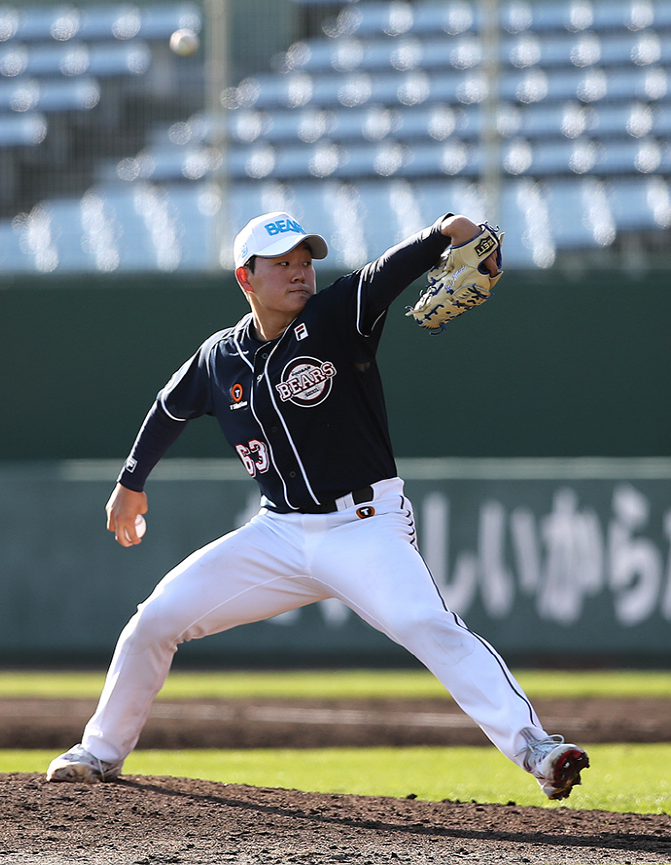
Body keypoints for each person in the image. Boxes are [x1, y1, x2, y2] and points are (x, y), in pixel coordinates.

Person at [46, 210, 589, 800]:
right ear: (245, 278)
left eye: (306, 261)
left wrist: (445, 232)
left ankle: (537, 748)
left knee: (425, 623)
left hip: (364, 527)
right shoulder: (219, 358)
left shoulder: (336, 319)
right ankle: (98, 753)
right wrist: (131, 481)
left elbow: (386, 273)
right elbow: (169, 408)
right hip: (279, 535)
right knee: (154, 621)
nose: (300, 272)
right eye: (283, 263)